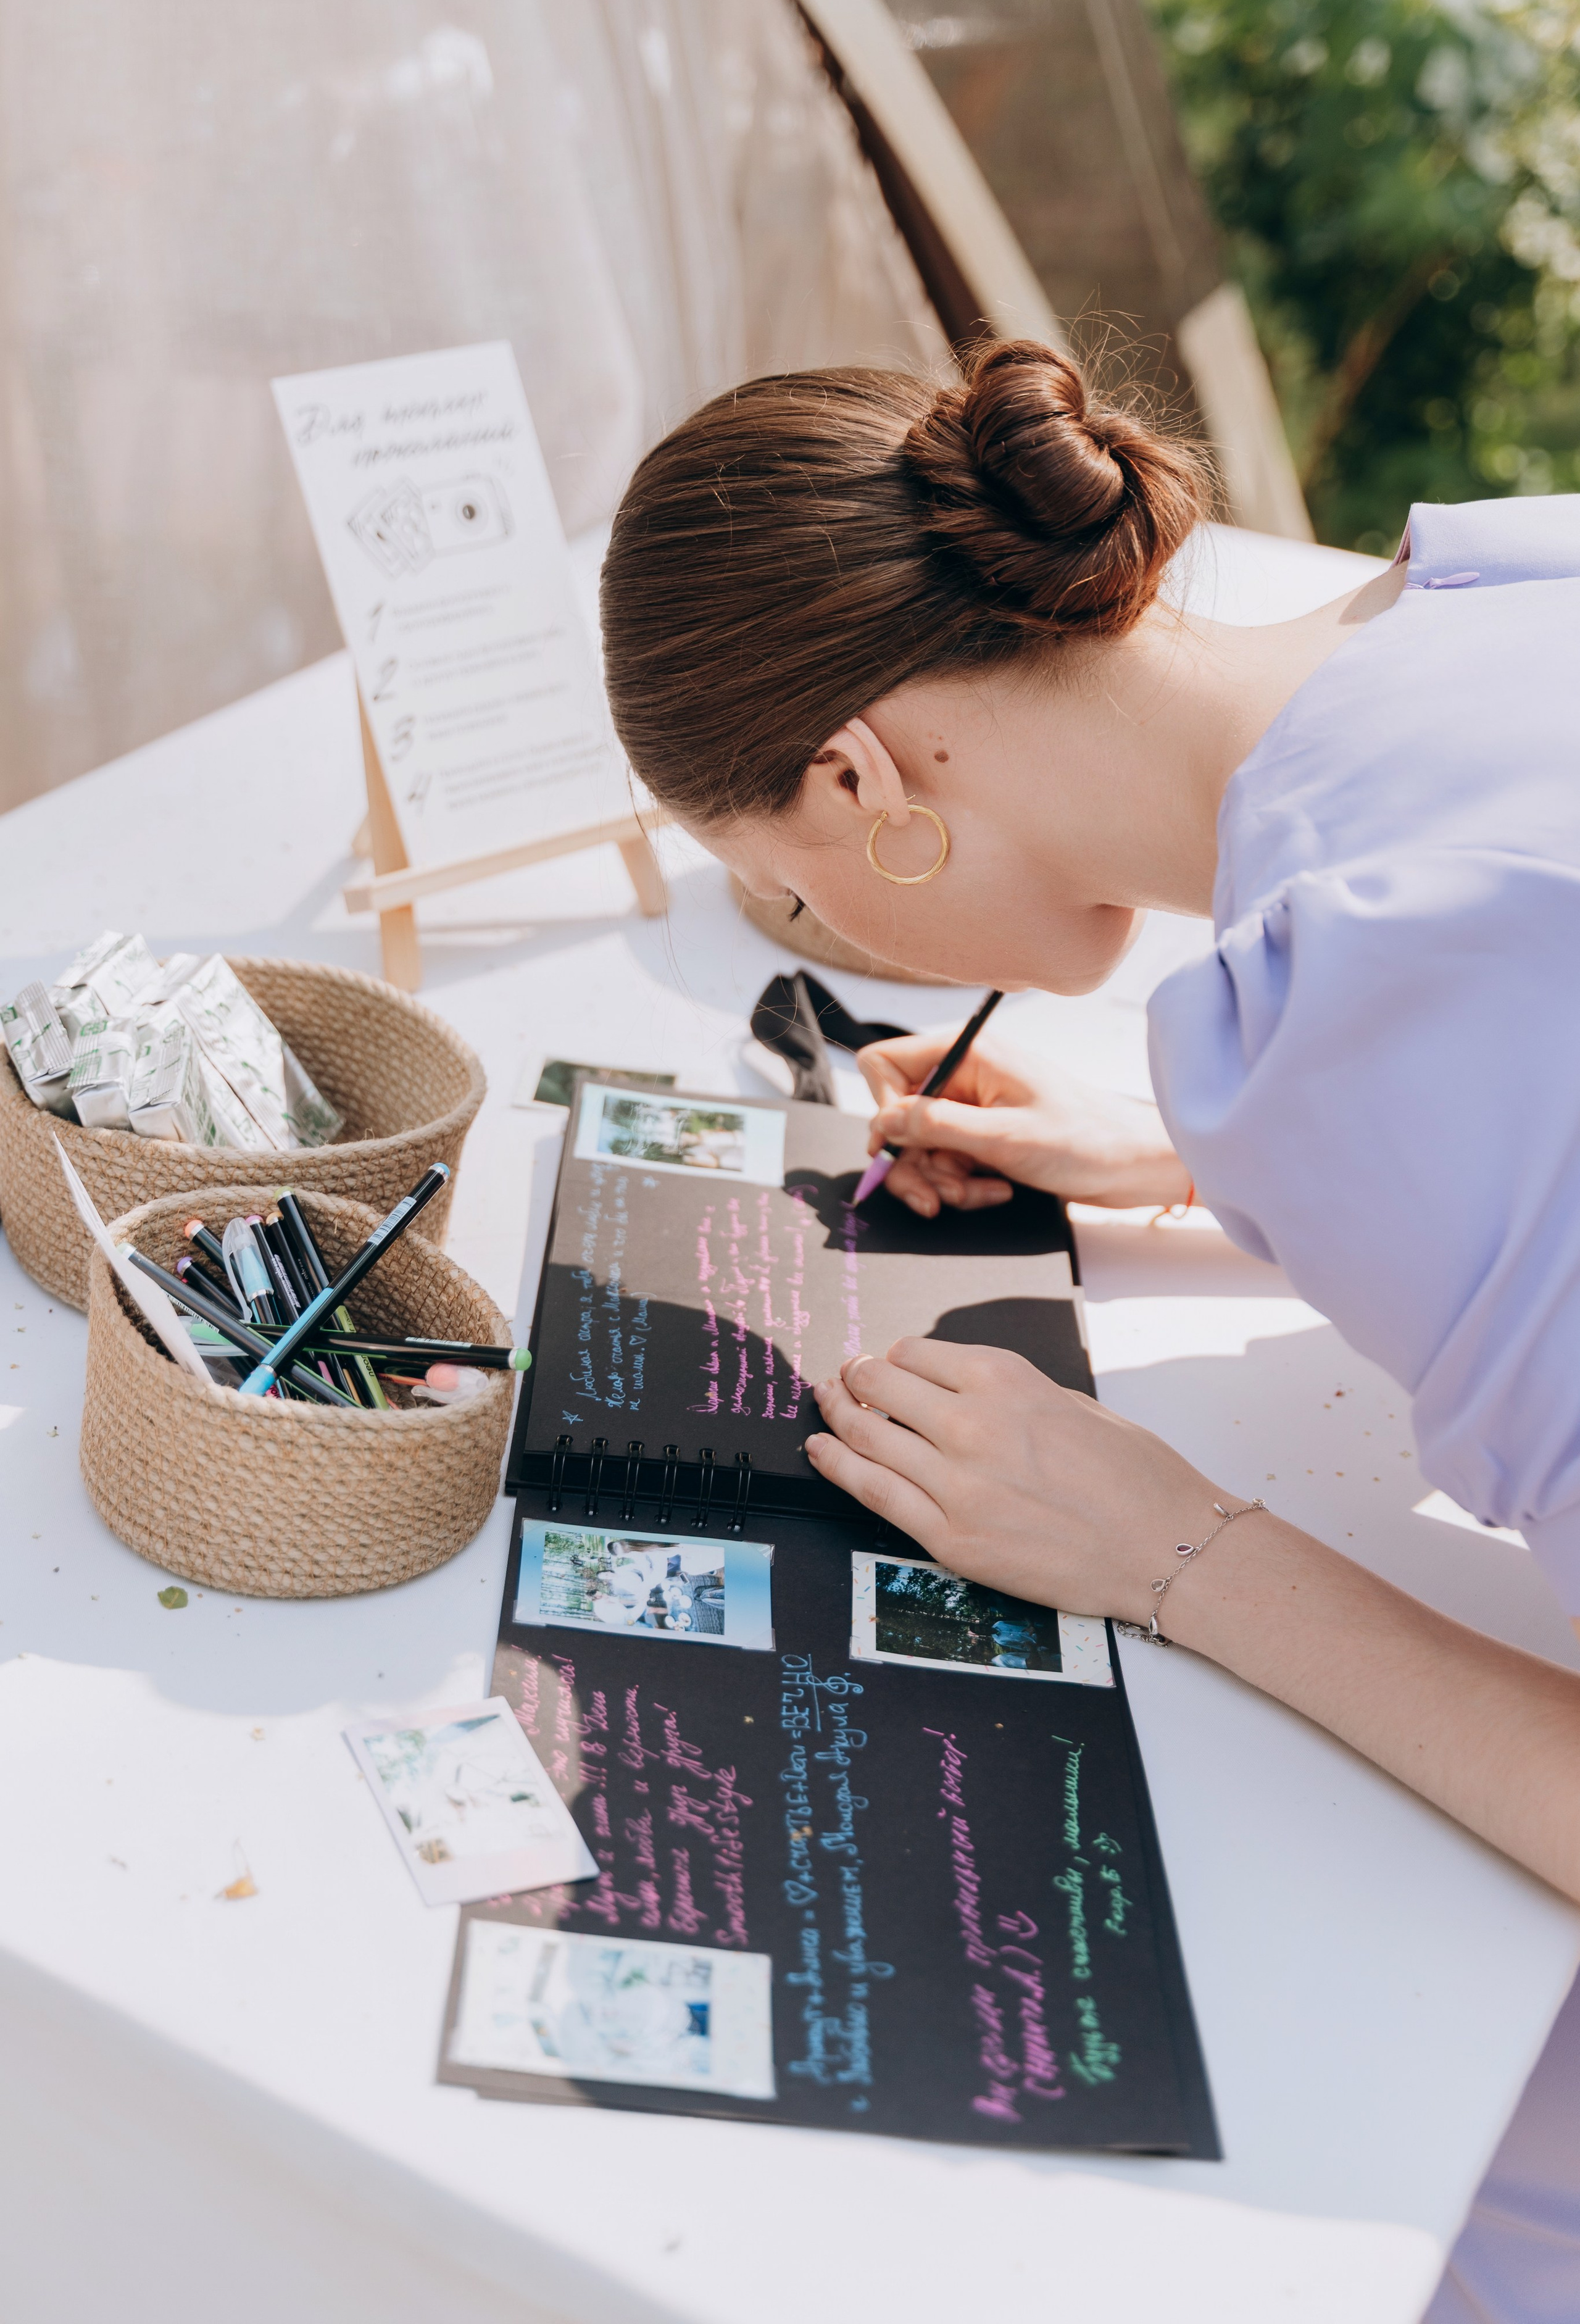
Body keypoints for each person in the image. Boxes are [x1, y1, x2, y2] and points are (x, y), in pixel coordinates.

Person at [599, 336, 1580, 2320]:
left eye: (795, 898)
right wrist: (1203, 1170)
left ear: (860, 783)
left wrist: (1179, 1554)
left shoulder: (1358, 1006)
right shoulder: (1490, 581)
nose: (848, 947)